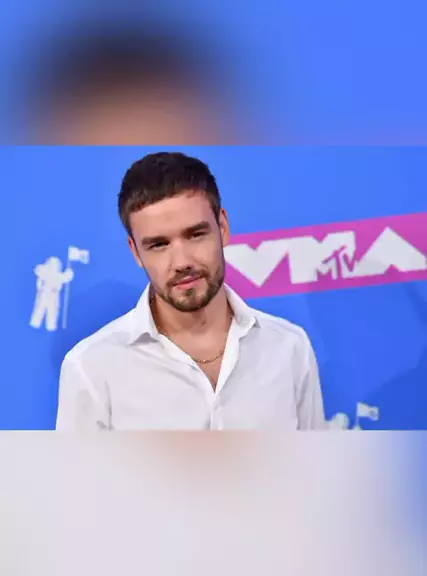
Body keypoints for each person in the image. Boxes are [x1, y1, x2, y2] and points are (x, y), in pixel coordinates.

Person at [56, 152, 326, 430]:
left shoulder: (289, 348)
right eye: (159, 245)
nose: (182, 262)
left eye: (196, 235)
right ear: (135, 252)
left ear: (223, 227)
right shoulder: (91, 368)